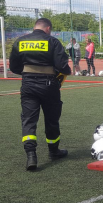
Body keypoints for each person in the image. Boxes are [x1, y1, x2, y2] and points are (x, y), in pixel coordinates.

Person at [9, 18, 71, 170]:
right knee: (51, 119)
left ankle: (31, 156)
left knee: (29, 120)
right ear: (48, 28)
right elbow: (62, 66)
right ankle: (53, 151)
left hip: (28, 84)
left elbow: (14, 67)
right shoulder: (52, 41)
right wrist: (65, 72)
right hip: (49, 85)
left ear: (35, 27)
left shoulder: (20, 41)